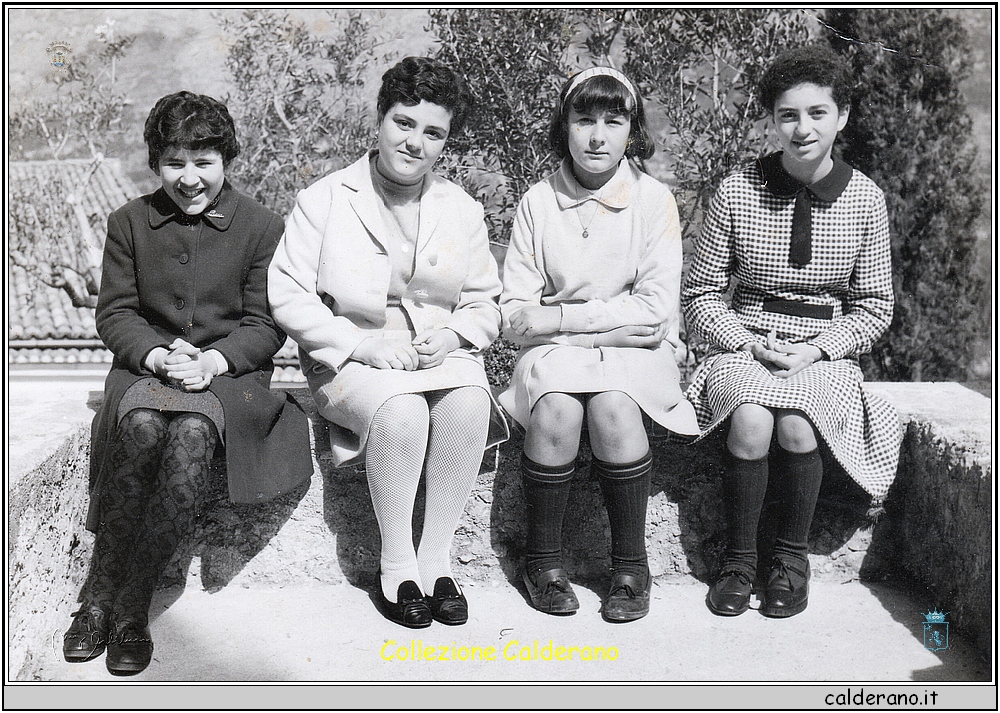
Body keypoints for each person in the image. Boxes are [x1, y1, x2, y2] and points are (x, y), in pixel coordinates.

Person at [63, 92, 313, 675]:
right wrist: (153, 355)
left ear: (225, 160)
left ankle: (131, 606)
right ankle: (95, 600)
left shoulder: (261, 227)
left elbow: (264, 323)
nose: (190, 177)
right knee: (146, 426)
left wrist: (213, 363)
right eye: (175, 161)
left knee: (194, 431)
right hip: (148, 371)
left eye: (204, 161)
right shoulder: (129, 222)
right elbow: (116, 313)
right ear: (157, 163)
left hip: (230, 379)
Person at [268, 57, 508, 630]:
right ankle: (397, 565)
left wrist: (451, 333)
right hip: (350, 361)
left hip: (436, 356)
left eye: (433, 133)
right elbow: (288, 293)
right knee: (400, 411)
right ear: (379, 119)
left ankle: (438, 560)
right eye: (404, 123)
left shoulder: (461, 208)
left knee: (471, 401)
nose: (415, 143)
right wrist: (359, 346)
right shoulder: (325, 199)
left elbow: (484, 301)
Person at [682, 44, 901, 619]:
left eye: (817, 113)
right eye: (788, 115)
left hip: (823, 352)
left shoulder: (865, 199)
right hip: (745, 340)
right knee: (752, 421)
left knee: (799, 425)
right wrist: (746, 342)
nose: (802, 129)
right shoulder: (738, 189)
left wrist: (818, 349)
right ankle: (739, 559)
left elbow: (875, 307)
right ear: (772, 120)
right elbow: (700, 296)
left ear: (842, 117)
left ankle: (789, 559)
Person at [498, 66, 700, 623]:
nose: (597, 136)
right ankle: (542, 562)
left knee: (614, 405)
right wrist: (594, 326)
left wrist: (556, 319)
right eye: (584, 119)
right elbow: (515, 314)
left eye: (613, 122)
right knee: (557, 405)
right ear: (564, 125)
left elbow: (656, 312)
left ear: (631, 130)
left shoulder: (654, 201)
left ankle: (631, 568)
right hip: (564, 352)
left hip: (637, 352)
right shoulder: (538, 203)